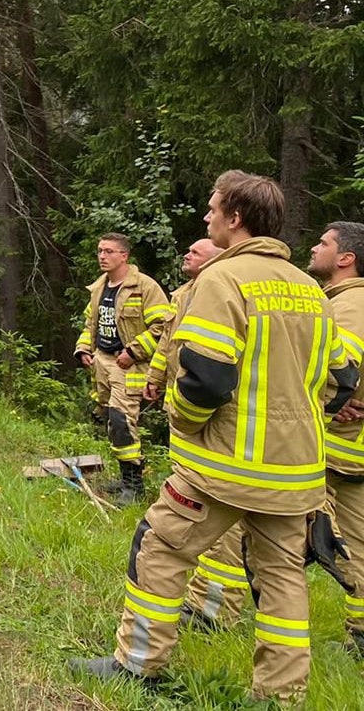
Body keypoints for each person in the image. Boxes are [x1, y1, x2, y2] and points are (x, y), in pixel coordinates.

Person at [70, 170, 359, 702]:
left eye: (212, 209)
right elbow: (343, 381)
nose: (206, 218)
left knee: (158, 549)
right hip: (295, 475)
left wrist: (183, 423)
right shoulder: (309, 290)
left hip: (222, 469)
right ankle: (279, 695)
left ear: (236, 217)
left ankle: (137, 666)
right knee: (282, 578)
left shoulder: (221, 281)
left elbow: (205, 376)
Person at [143, 238, 246, 630]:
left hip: (211, 423)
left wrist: (188, 417)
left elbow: (212, 371)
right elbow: (169, 344)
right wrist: (155, 378)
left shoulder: (224, 291)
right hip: (184, 414)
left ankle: (215, 610)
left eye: (196, 251)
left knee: (226, 530)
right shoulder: (184, 293)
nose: (187, 253)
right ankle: (201, 598)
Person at [73, 232, 172, 503]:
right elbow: (89, 324)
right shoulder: (99, 287)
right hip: (102, 360)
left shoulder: (144, 287)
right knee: (110, 421)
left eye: (108, 251)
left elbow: (162, 326)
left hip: (129, 365)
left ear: (124, 256)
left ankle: (134, 487)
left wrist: (133, 351)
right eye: (99, 251)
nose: (102, 256)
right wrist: (83, 349)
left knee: (122, 420)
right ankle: (126, 477)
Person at [307, 221, 364, 657]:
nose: (314, 247)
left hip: (337, 447)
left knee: (337, 541)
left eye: (323, 243)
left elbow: (341, 369)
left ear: (346, 258)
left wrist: (323, 403)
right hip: (346, 448)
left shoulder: (351, 304)